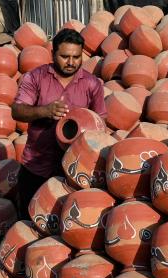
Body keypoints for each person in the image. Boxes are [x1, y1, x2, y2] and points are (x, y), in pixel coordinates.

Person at [11, 28, 107, 219]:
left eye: (76, 57)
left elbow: (101, 123)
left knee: (67, 224)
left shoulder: (91, 84)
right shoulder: (36, 77)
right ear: (53, 54)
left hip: (73, 170)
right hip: (36, 166)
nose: (71, 62)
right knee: (30, 221)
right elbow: (17, 111)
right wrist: (44, 111)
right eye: (65, 56)